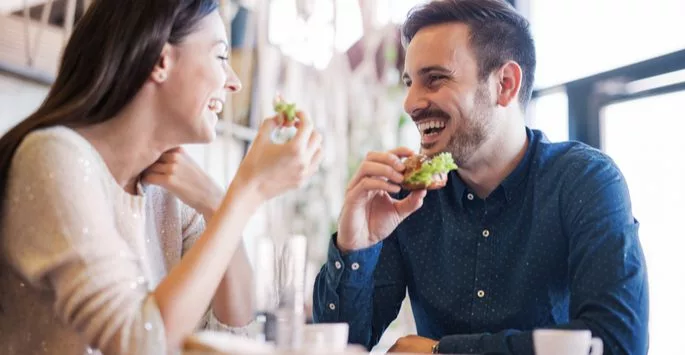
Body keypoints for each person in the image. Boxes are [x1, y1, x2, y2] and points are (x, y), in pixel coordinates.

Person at [312, 0, 648, 354]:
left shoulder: (584, 181)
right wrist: (354, 246)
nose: (410, 103)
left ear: (505, 84)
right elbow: (342, 346)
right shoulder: (406, 198)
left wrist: (442, 352)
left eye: (435, 78)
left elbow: (617, 343)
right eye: (410, 82)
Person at [0, 1, 322, 354]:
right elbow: (139, 342)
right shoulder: (51, 156)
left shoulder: (167, 192)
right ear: (160, 61)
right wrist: (248, 192)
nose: (235, 82)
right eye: (220, 57)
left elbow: (233, 334)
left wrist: (218, 203)